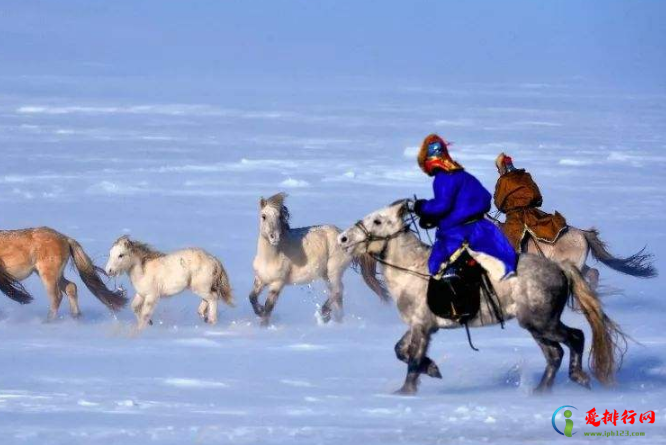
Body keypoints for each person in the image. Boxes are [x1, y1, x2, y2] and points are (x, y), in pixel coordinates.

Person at [412, 134, 517, 279]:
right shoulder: (463, 175)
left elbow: (442, 205)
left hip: (461, 233)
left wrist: (422, 207)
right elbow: (485, 198)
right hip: (485, 229)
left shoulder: (442, 177)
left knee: (436, 264)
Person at [493, 153, 567, 252]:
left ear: (502, 167)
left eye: (499, 169)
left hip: (515, 218)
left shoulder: (504, 180)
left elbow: (498, 202)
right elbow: (538, 197)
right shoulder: (525, 176)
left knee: (507, 240)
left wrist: (505, 207)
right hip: (533, 214)